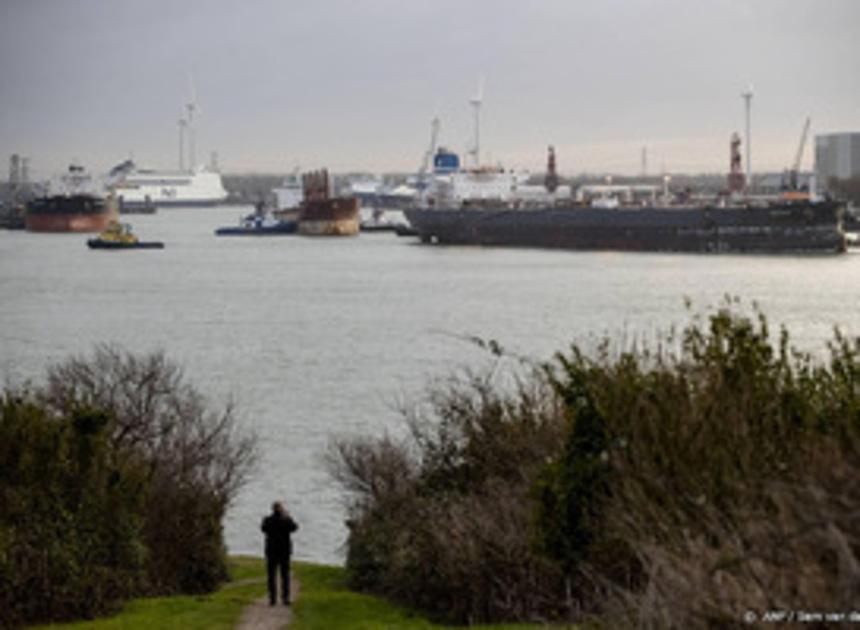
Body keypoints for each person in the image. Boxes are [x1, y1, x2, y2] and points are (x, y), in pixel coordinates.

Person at [261, 501, 299, 606]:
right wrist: (288, 517)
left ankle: (272, 598)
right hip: (284, 551)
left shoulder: (268, 520)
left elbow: (263, 529)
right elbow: (295, 527)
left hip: (271, 551)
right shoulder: (286, 520)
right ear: (281, 509)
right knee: (285, 575)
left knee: (271, 575)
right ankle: (285, 598)